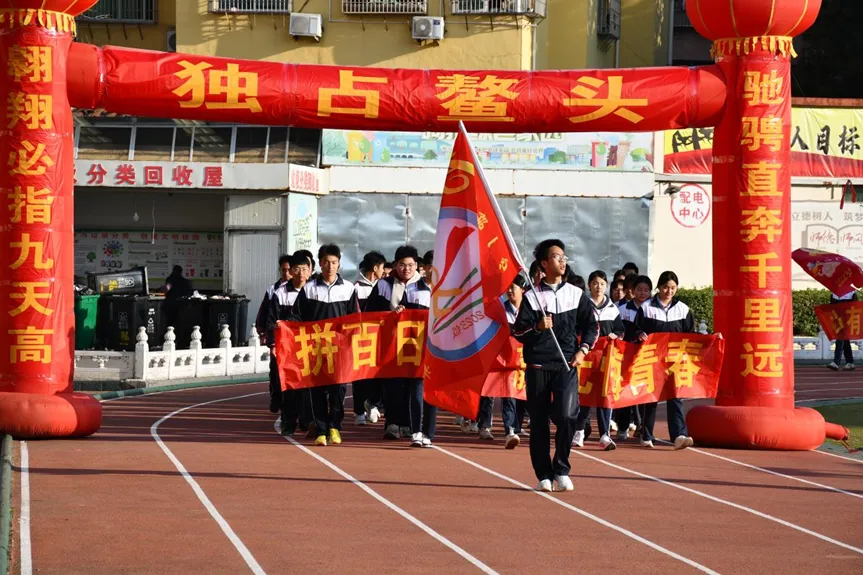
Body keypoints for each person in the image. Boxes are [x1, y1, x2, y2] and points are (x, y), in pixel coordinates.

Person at [512, 239, 598, 493]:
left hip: (566, 365)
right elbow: (518, 331)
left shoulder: (575, 294)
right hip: (538, 365)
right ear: (543, 263)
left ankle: (561, 468)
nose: (563, 261)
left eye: (564, 257)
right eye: (557, 257)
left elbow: (592, 326)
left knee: (567, 415)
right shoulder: (532, 297)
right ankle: (544, 474)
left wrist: (583, 350)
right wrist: (538, 326)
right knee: (538, 422)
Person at [365, 245, 436, 447]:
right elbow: (371, 314)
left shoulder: (423, 287)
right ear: (395, 265)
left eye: (411, 265)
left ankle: (409, 424)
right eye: (402, 265)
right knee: (393, 384)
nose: (407, 269)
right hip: (391, 345)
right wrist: (391, 315)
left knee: (413, 385)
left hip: (416, 345)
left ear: (417, 266)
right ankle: (393, 423)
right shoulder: (383, 286)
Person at [290, 244, 359, 447]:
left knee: (338, 391)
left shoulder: (348, 288)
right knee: (317, 391)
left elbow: (355, 319)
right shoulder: (309, 289)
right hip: (315, 349)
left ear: (339, 264)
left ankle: (334, 427)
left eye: (334, 262)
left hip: (339, 350)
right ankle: (321, 430)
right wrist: (286, 325)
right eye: (326, 262)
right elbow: (297, 315)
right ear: (319, 263)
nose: (330, 266)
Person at [634, 270, 695, 450]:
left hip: (675, 361)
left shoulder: (683, 309)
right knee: (651, 396)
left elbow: (690, 334)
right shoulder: (646, 307)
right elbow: (636, 329)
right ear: (659, 287)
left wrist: (712, 338)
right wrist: (639, 334)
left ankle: (679, 435)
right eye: (666, 287)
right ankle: (646, 434)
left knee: (675, 396)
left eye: (673, 288)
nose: (669, 291)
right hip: (652, 359)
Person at [573, 270, 624, 451]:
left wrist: (615, 335)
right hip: (587, 359)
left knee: (604, 395)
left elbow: (620, 330)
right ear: (589, 285)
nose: (598, 287)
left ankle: (604, 435)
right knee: (585, 395)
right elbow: (577, 329)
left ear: (606, 285)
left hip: (606, 360)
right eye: (595, 283)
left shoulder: (612, 308)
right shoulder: (583, 305)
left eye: (602, 283)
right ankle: (579, 430)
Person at [269, 254, 311, 434]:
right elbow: (271, 321)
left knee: (308, 387)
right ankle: (288, 422)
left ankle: (306, 421)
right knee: (287, 386)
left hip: (310, 348)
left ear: (310, 271)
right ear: (289, 271)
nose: (300, 273)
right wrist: (273, 343)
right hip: (287, 349)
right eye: (296, 269)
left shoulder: (314, 291)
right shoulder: (280, 293)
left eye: (304, 269)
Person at [353, 250, 388, 425]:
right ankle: (359, 412)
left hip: (379, 338)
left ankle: (374, 404)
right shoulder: (356, 288)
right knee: (360, 376)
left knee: (378, 375)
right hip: (361, 338)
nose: (383, 271)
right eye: (382, 268)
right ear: (375, 268)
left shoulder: (383, 287)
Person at [263, 254, 292, 413]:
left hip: (295, 341)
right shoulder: (273, 291)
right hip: (278, 340)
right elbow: (266, 315)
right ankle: (276, 397)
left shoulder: (303, 290)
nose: (286, 274)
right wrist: (268, 337)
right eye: (283, 270)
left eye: (289, 270)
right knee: (275, 371)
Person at [828, 290, 858, 371]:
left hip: (847, 316)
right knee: (845, 339)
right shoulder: (834, 292)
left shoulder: (851, 291)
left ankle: (836, 362)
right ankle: (850, 362)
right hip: (838, 316)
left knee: (841, 337)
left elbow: (855, 305)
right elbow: (832, 306)